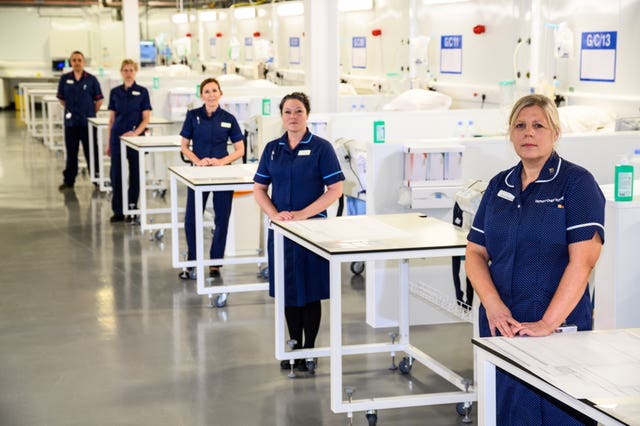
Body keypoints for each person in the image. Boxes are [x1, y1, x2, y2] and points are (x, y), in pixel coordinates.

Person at [465, 94, 605, 425]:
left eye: (538, 125)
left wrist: (547, 323)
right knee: (508, 410)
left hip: (557, 327)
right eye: (521, 126)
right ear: (511, 134)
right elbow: (475, 252)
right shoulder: (500, 184)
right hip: (504, 326)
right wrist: (493, 305)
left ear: (555, 132)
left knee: (559, 411)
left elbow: (583, 261)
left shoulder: (576, 183)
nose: (529, 133)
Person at [253, 92, 344, 372]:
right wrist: (274, 214)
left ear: (307, 115)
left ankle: (309, 348)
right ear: (282, 116)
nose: (293, 117)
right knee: (288, 289)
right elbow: (259, 188)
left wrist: (304, 215)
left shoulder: (321, 148)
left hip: (312, 230)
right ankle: (292, 345)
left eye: (299, 111)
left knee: (311, 290)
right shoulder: (272, 149)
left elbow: (336, 190)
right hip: (282, 231)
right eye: (288, 112)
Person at [179, 77, 245, 278]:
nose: (211, 94)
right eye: (206, 91)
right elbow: (184, 146)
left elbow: (240, 149)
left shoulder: (229, 118)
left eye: (214, 90)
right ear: (201, 95)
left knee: (222, 218)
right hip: (198, 174)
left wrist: (222, 161)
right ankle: (192, 261)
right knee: (192, 218)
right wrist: (197, 161)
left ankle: (215, 262)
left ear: (220, 93)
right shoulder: (193, 116)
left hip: (223, 173)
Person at [106, 59, 152, 223]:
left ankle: (132, 207)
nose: (128, 73)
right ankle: (118, 210)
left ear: (135, 71)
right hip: (117, 138)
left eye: (131, 70)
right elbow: (111, 120)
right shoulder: (115, 92)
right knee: (116, 175)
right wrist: (108, 142)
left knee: (135, 174)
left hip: (135, 140)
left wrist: (136, 133)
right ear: (121, 72)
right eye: (125, 70)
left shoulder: (142, 92)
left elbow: (146, 118)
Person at [56, 50, 104, 191]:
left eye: (79, 60)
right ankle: (69, 181)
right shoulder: (65, 79)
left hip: (87, 123)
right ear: (71, 62)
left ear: (84, 62)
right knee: (71, 152)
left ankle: (97, 179)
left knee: (91, 152)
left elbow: (99, 100)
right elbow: (61, 99)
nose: (77, 63)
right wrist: (73, 110)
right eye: (74, 60)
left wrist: (90, 112)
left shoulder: (91, 80)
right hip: (71, 123)